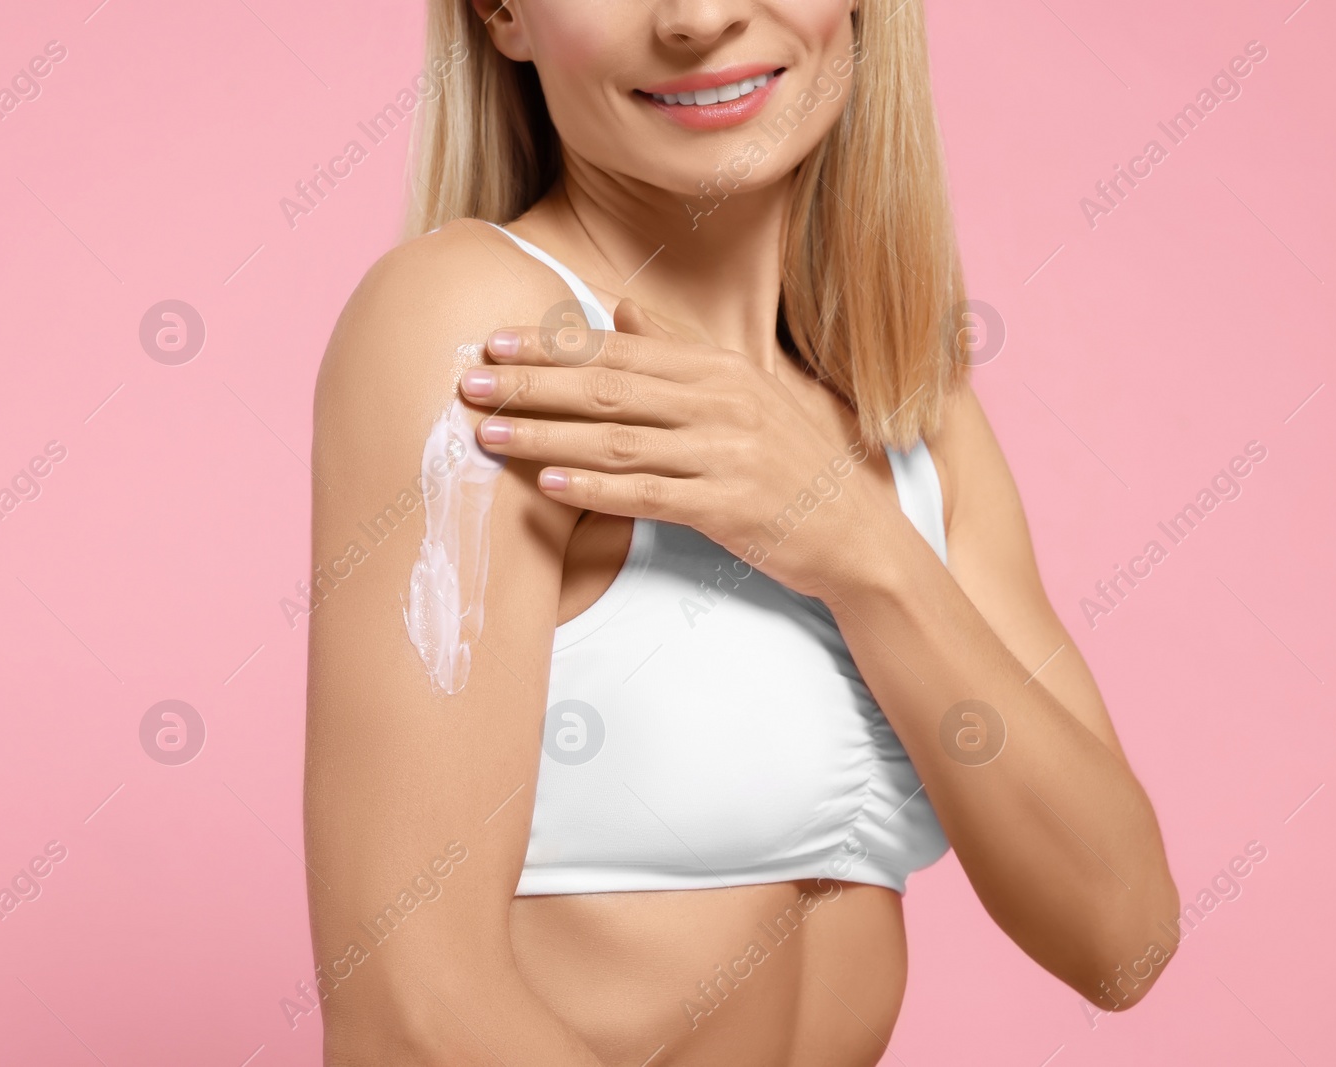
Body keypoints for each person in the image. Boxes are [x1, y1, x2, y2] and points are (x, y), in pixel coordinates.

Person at [305, 1, 1179, 1063]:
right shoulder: (483, 333)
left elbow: (1120, 934)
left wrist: (858, 547)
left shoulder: (908, 412)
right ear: (503, 13)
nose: (700, 17)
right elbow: (411, 1014)